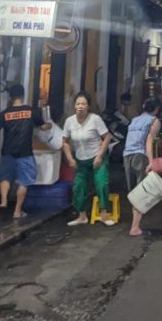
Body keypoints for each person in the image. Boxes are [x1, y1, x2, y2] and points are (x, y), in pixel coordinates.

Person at [0, 83, 50, 219]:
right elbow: (43, 127)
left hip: (7, 151)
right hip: (24, 152)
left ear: (11, 97)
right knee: (24, 181)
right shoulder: (30, 111)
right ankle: (17, 211)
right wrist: (49, 125)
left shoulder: (4, 113)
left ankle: (3, 202)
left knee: (5, 177)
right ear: (23, 96)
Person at [62, 91, 115, 227]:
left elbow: (107, 137)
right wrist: (70, 158)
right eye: (78, 104)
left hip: (97, 158)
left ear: (88, 107)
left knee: (101, 184)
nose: (80, 106)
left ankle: (104, 215)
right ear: (74, 106)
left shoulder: (95, 119)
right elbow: (65, 142)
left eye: (83, 104)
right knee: (79, 187)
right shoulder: (69, 121)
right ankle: (82, 216)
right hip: (81, 160)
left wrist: (100, 155)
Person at [123, 97, 162, 193]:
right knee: (142, 189)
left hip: (127, 154)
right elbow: (149, 141)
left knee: (132, 190)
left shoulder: (134, 119)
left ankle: (133, 203)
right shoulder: (154, 121)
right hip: (140, 155)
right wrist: (151, 162)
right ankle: (139, 203)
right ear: (157, 108)